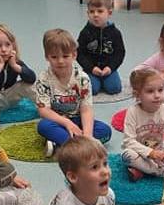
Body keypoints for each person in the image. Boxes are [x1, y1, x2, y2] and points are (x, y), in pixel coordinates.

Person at [35, 28, 111, 157]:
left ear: (74, 55)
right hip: (57, 121)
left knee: (105, 131)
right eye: (54, 57)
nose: (60, 61)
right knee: (43, 126)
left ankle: (64, 145)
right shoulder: (43, 79)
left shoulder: (82, 79)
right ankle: (80, 146)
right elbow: (43, 111)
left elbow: (86, 110)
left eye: (65, 56)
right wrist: (67, 123)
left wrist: (87, 135)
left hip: (78, 119)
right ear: (47, 57)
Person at [121, 67, 164, 181]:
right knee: (126, 155)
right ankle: (160, 171)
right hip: (140, 154)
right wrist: (150, 153)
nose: (157, 95)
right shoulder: (133, 112)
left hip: (161, 153)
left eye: (160, 90)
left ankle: (143, 171)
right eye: (150, 91)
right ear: (137, 94)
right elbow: (128, 141)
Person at [0, 23, 37, 130]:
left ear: (13, 46)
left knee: (27, 85)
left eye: (7, 45)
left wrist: (15, 66)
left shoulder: (15, 61)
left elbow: (32, 78)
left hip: (10, 98)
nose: (4, 50)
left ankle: (46, 108)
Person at [76, 0, 125, 96]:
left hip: (108, 69)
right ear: (87, 13)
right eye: (92, 11)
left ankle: (105, 80)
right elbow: (80, 54)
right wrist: (91, 68)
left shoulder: (115, 33)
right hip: (91, 69)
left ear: (109, 13)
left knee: (114, 89)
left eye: (100, 11)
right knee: (92, 90)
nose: (95, 15)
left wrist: (111, 68)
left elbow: (120, 53)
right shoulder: (85, 33)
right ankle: (91, 80)